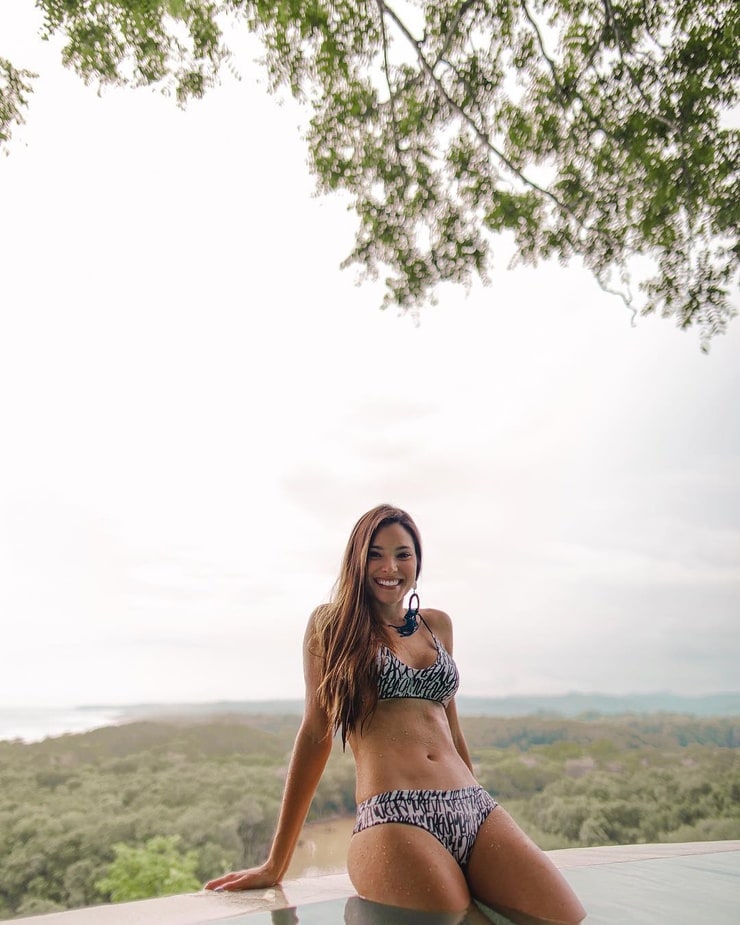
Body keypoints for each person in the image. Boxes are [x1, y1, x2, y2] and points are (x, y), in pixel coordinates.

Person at [205, 504, 585, 924]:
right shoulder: (331, 627)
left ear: (417, 561)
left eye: (403, 553)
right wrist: (277, 862)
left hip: (472, 807)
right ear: (357, 560)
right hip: (394, 817)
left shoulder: (437, 625)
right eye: (375, 553)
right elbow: (315, 733)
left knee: (565, 919)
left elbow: (451, 731)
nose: (390, 566)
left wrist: (481, 807)